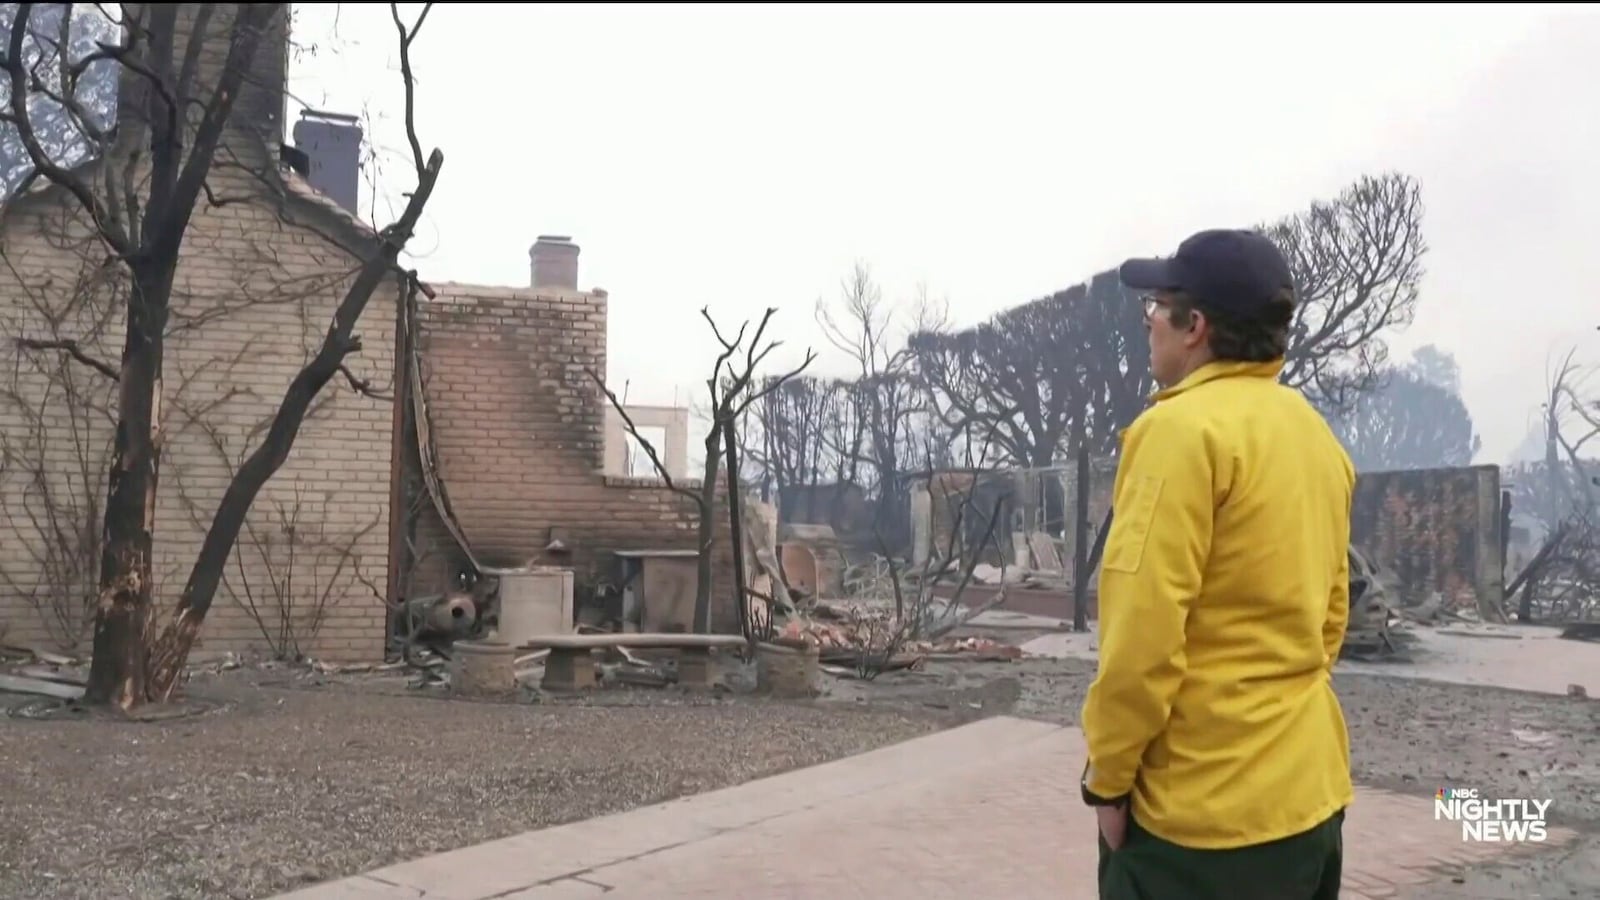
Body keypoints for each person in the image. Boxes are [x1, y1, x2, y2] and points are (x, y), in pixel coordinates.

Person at [1078, 228, 1355, 900]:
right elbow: (1330, 620)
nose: (1148, 322)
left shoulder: (1178, 433)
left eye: (1158, 306)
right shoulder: (1313, 434)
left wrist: (1109, 782)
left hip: (1198, 828)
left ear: (1194, 326)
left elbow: (1142, 638)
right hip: (1309, 799)